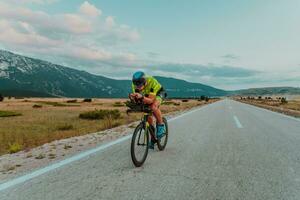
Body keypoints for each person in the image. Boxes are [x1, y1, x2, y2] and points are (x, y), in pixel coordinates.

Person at [129, 71, 166, 149]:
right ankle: (153, 138)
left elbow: (151, 100)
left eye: (140, 86)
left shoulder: (152, 82)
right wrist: (133, 98)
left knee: (153, 107)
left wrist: (141, 97)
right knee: (147, 113)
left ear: (144, 82)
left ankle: (161, 125)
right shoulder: (134, 84)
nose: (138, 87)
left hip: (159, 93)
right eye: (136, 86)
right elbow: (137, 99)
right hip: (146, 94)